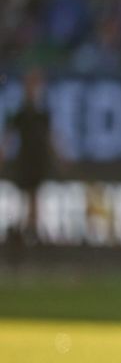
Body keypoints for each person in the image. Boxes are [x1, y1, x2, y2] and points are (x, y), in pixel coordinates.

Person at [2, 69, 57, 249]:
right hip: (25, 158)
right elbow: (9, 135)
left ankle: (30, 228)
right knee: (24, 195)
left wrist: (58, 156)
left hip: (37, 159)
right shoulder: (21, 111)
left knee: (34, 195)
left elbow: (51, 137)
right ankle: (22, 228)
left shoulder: (42, 113)